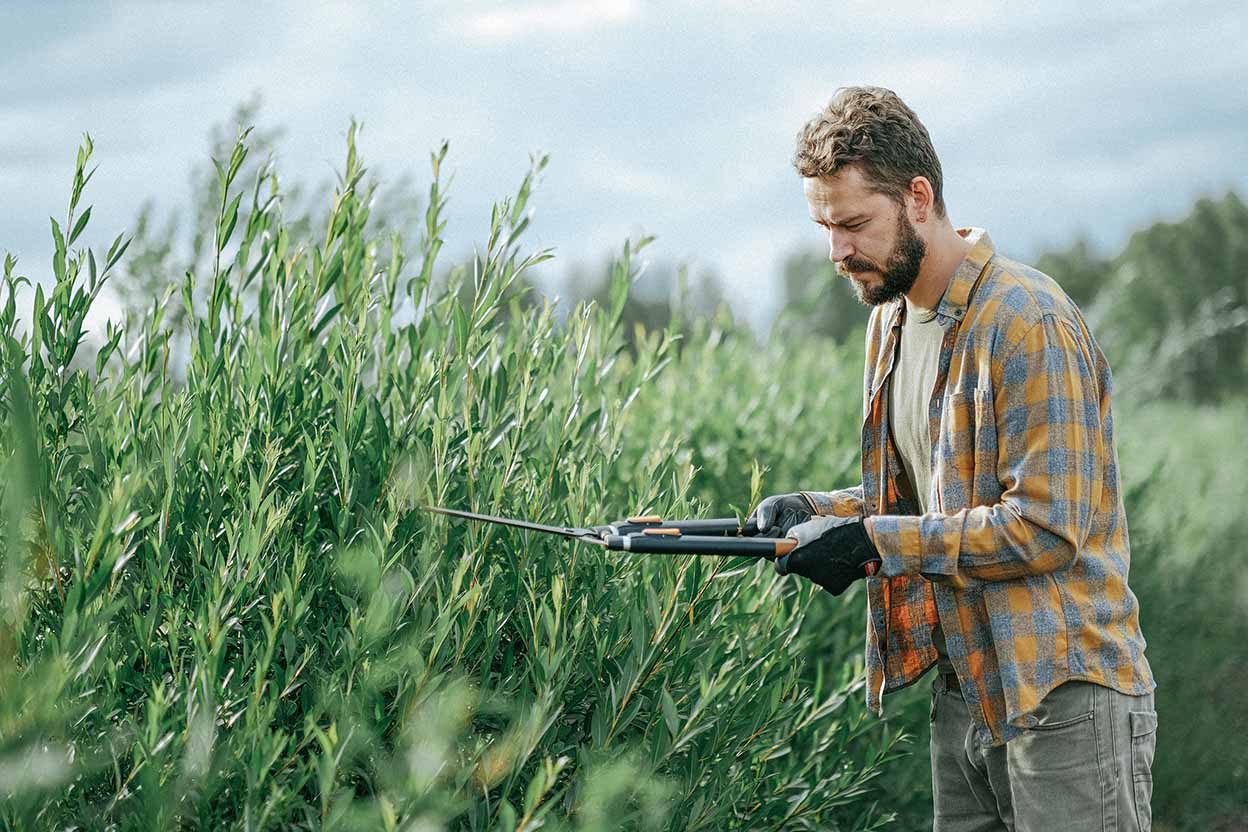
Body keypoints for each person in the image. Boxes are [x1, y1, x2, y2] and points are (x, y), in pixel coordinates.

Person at [749, 86, 1157, 830]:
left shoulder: (1026, 319)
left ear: (917, 197)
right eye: (823, 226)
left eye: (853, 224)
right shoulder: (890, 323)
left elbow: (1045, 526)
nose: (837, 252)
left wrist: (876, 543)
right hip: (964, 694)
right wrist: (818, 512)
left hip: (1062, 702)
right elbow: (925, 500)